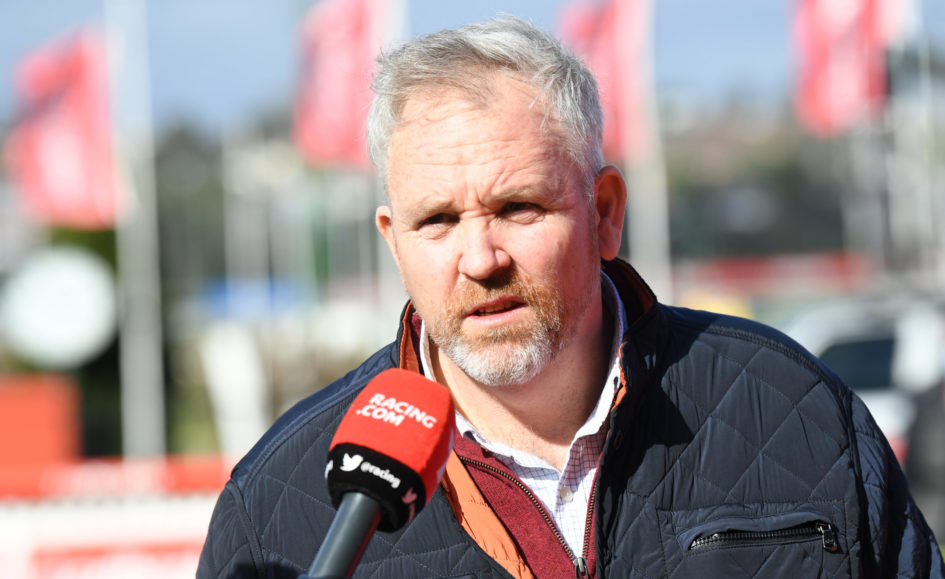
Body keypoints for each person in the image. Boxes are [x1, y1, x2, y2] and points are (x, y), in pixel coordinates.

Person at [198, 16, 943, 578]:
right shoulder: (277, 505)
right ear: (394, 244)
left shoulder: (796, 410)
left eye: (518, 207)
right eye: (438, 221)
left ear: (605, 211)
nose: (480, 259)